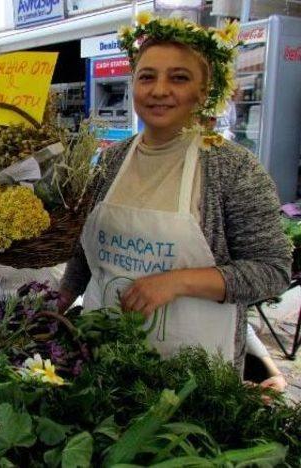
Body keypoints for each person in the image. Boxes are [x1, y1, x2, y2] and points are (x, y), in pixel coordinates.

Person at [59, 14, 290, 393]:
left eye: (179, 78)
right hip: (103, 361)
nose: (159, 90)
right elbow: (87, 252)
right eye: (147, 77)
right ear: (132, 84)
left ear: (204, 91)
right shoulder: (112, 160)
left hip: (192, 381)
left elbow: (272, 269)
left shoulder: (232, 168)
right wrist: (62, 298)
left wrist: (177, 282)